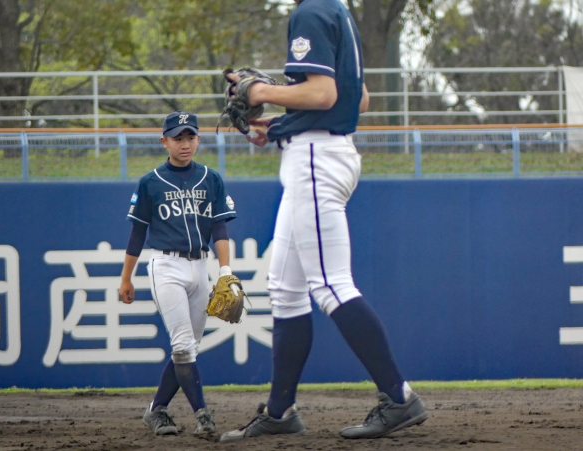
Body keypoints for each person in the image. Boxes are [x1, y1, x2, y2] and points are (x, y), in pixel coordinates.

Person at [219, 0, 428, 442]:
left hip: (316, 159)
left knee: (331, 285)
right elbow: (359, 98)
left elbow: (323, 95)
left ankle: (399, 397)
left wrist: (260, 92)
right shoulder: (336, 10)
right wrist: (282, 123)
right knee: (284, 287)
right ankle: (280, 411)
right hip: (322, 150)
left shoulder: (311, 11)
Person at [119, 110, 237, 436]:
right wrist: (126, 277)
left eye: (190, 137)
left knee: (188, 348)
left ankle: (156, 410)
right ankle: (203, 415)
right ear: (164, 141)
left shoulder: (211, 179)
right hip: (166, 266)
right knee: (183, 345)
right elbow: (137, 233)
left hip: (200, 266)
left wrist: (225, 271)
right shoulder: (150, 182)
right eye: (177, 138)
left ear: (198, 139)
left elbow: (220, 229)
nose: (185, 144)